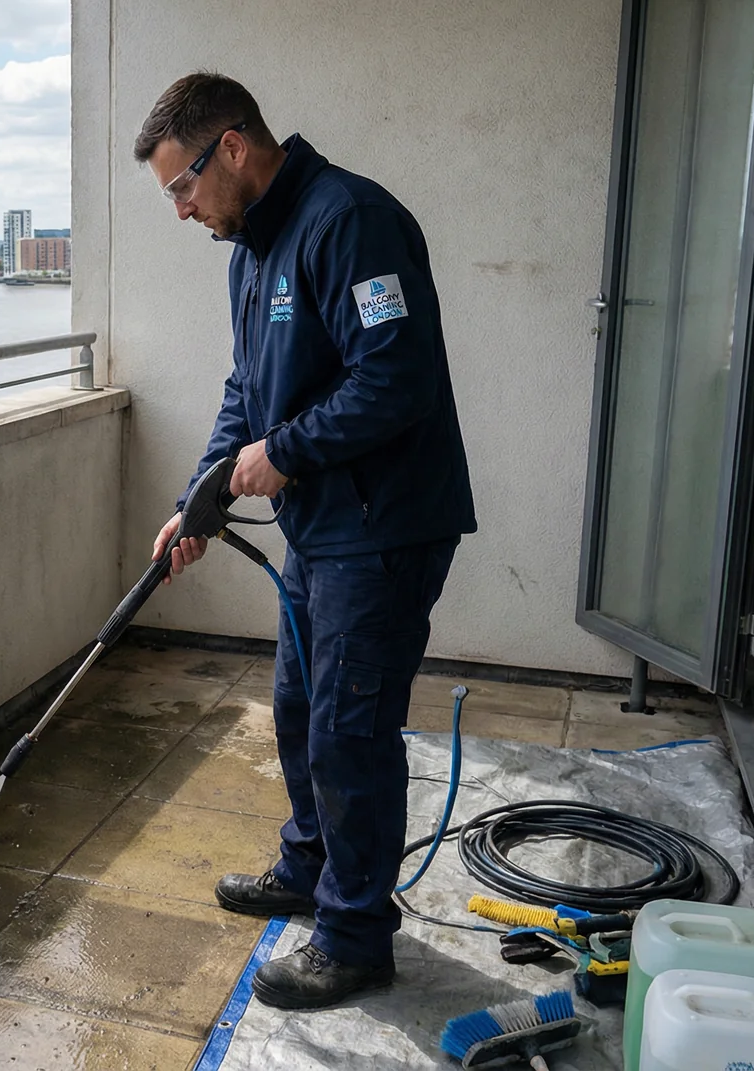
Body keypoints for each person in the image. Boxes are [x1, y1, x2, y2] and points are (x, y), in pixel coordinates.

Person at [133, 72, 476, 1009]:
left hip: (386, 523)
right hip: (322, 531)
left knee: (349, 728)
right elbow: (248, 393)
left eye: (182, 186)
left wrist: (284, 453)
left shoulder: (350, 222)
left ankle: (357, 934)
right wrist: (198, 498)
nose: (182, 209)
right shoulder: (249, 249)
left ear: (232, 148)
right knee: (299, 709)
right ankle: (310, 866)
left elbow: (394, 378)